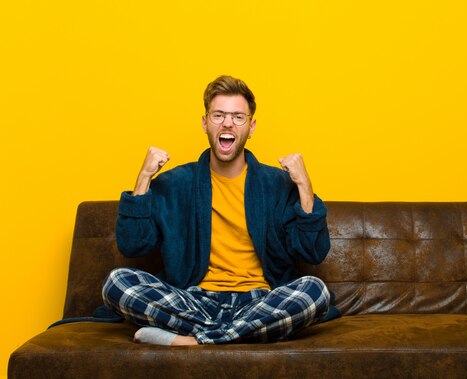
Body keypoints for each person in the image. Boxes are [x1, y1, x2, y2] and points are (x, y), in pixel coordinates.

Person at [102, 75, 336, 346]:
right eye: (219, 115)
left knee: (315, 292)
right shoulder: (176, 183)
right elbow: (133, 245)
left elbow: (312, 252)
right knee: (116, 282)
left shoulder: (277, 184)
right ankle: (236, 335)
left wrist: (304, 186)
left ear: (251, 127)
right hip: (193, 299)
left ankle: (190, 340)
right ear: (205, 123)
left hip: (259, 301)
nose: (227, 123)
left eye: (238, 117)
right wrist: (143, 177)